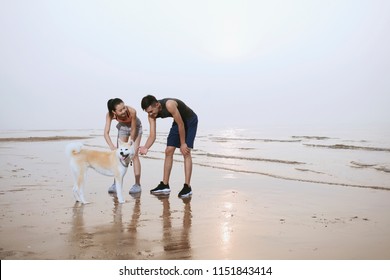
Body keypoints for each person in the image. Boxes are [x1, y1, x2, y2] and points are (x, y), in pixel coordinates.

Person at [139, 95, 198, 198]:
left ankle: (187, 187)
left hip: (190, 120)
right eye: (148, 112)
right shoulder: (151, 115)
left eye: (151, 111)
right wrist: (146, 147)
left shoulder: (169, 104)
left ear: (157, 105)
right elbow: (152, 135)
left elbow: (181, 125)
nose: (150, 114)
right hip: (178, 121)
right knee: (168, 151)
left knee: (186, 151)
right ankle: (165, 185)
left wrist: (183, 144)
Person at [104, 98, 142, 194]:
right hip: (123, 128)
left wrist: (131, 144)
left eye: (124, 108)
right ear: (114, 112)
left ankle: (137, 184)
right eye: (120, 110)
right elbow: (106, 133)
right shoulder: (110, 115)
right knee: (119, 156)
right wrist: (112, 147)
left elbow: (133, 129)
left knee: (134, 155)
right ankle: (116, 183)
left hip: (136, 127)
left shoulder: (132, 111)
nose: (124, 111)